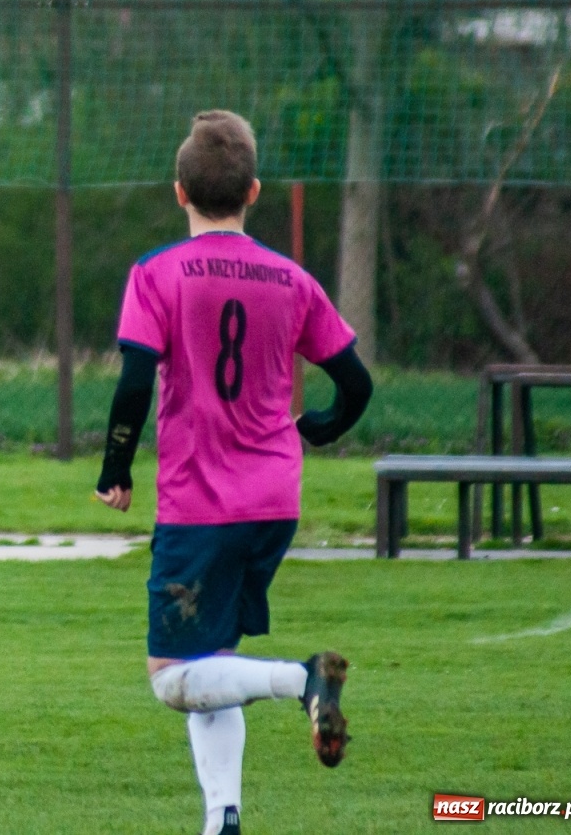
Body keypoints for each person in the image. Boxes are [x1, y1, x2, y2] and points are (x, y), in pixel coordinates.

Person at [95, 110, 373, 835]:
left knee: (172, 679)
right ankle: (223, 818)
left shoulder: (157, 273)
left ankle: (300, 679)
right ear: (254, 191)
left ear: (178, 192)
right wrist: (317, 429)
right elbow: (357, 386)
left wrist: (116, 467)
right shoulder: (291, 278)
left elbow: (133, 382)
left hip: (199, 504)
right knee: (214, 659)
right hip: (274, 500)